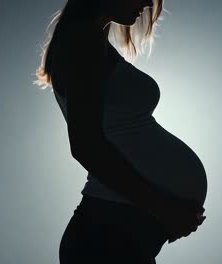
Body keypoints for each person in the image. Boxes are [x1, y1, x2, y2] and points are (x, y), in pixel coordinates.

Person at [35, 0, 208, 263]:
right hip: (107, 233)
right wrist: (165, 209)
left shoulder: (92, 42)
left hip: (119, 230)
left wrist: (168, 212)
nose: (148, 3)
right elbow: (86, 145)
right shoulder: (83, 41)